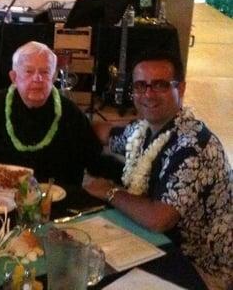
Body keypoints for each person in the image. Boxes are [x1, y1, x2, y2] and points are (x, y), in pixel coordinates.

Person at [83, 51, 232, 289]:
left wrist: (109, 191)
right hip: (156, 247)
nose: (148, 94)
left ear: (180, 89)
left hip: (200, 270)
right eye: (141, 86)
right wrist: (67, 118)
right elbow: (104, 132)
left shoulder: (194, 145)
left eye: (160, 85)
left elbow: (158, 219)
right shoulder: (145, 130)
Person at [0, 41, 102, 185]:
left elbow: (94, 158)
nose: (37, 78)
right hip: (2, 198)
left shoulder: (69, 112)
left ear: (53, 78)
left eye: (45, 72)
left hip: (55, 199)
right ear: (14, 77)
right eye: (29, 71)